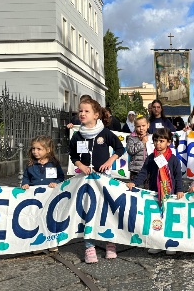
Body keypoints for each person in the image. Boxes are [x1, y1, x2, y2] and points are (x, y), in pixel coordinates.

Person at [69, 98, 125, 263]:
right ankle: (89, 246)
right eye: (80, 111)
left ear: (96, 115)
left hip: (103, 179)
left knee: (107, 209)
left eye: (86, 111)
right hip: (86, 180)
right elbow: (73, 156)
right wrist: (81, 165)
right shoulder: (77, 135)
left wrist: (109, 161)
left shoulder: (105, 133)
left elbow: (120, 148)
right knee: (88, 210)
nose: (82, 114)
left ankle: (110, 243)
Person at [126, 128, 183, 255]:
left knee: (169, 219)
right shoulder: (151, 158)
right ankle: (157, 243)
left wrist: (179, 190)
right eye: (156, 141)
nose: (158, 144)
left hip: (169, 194)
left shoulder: (173, 159)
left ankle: (170, 243)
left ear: (168, 142)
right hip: (154, 193)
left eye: (161, 141)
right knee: (156, 218)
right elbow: (144, 172)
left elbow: (178, 176)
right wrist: (134, 182)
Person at [21, 135, 64, 252]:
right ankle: (38, 243)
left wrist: (56, 182)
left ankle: (52, 242)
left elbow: (61, 177)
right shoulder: (30, 164)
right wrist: (25, 184)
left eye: (39, 149)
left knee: (50, 218)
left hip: (50, 197)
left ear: (48, 150)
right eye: (33, 149)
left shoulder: (54, 164)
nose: (35, 151)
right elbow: (26, 178)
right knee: (36, 219)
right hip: (35, 198)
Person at [126, 116, 150, 183]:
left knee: (147, 190)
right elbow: (130, 151)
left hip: (148, 170)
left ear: (148, 125)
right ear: (135, 126)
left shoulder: (150, 137)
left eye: (143, 125)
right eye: (138, 126)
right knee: (135, 189)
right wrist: (142, 142)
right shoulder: (132, 138)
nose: (141, 128)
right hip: (135, 170)